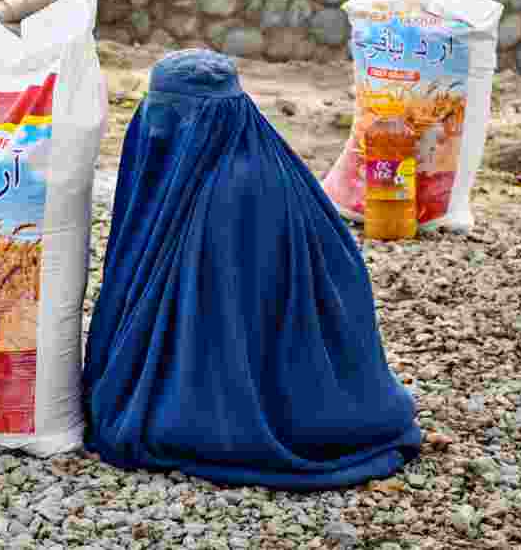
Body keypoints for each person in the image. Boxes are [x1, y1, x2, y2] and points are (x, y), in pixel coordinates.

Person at [82, 49, 422, 491]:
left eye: (169, 110)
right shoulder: (265, 160)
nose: (156, 124)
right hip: (334, 389)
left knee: (168, 425)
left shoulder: (226, 195)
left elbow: (218, 328)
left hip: (247, 403)